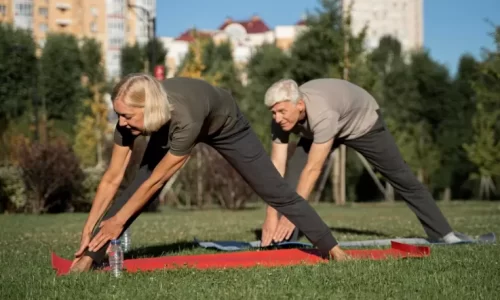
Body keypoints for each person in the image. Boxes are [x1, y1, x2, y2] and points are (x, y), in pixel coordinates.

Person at [69, 74, 349, 273]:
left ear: (148, 108)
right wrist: (88, 228)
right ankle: (89, 258)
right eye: (118, 114)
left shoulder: (185, 118)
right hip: (173, 121)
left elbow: (157, 181)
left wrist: (118, 221)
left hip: (226, 124)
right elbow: (112, 178)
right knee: (134, 186)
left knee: (274, 190)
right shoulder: (130, 122)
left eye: (127, 116)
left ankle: (332, 248)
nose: (121, 122)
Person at [260, 78, 467, 247]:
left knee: (401, 176)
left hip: (363, 123)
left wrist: (290, 215)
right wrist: (271, 213)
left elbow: (313, 169)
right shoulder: (280, 119)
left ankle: (444, 233)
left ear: (300, 105)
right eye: (273, 113)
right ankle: (284, 242)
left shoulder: (323, 113)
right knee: (292, 179)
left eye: (282, 112)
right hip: (322, 128)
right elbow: (276, 167)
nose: (277, 118)